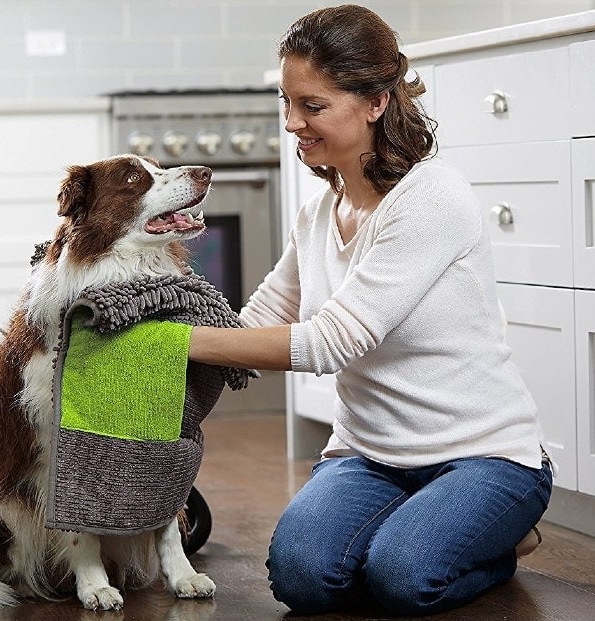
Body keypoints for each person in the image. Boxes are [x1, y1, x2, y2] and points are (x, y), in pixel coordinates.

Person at [188, 4, 553, 616]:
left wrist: (173, 343)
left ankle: (507, 535)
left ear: (377, 102)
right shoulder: (318, 211)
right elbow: (258, 321)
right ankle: (424, 533)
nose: (291, 123)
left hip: (484, 455)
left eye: (312, 106)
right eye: (286, 102)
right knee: (300, 579)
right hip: (369, 455)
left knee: (403, 580)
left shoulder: (431, 199)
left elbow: (330, 341)